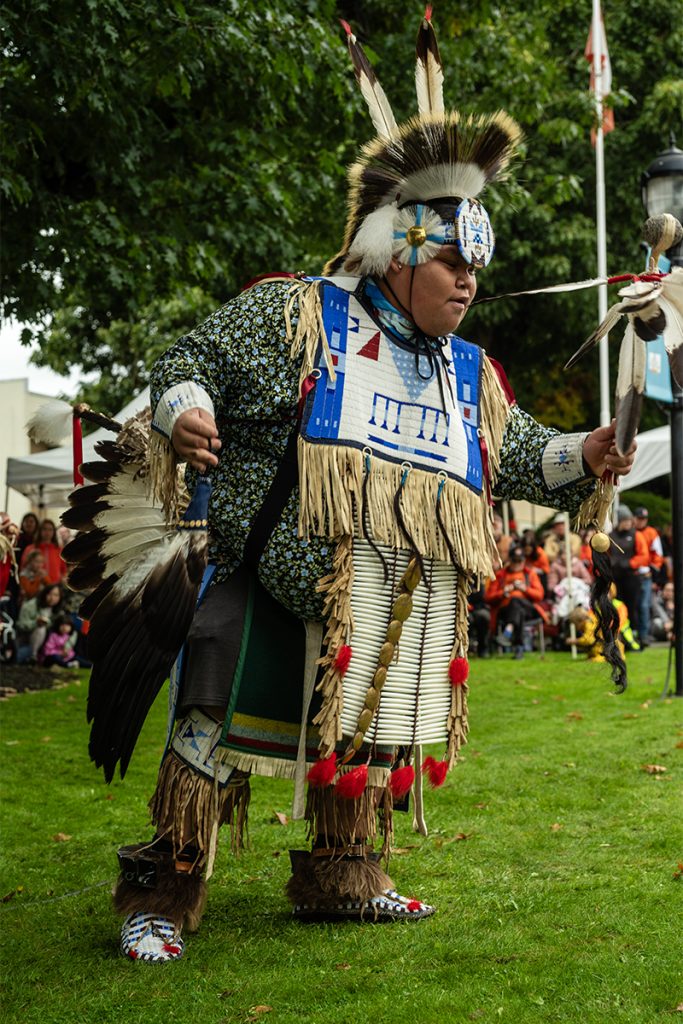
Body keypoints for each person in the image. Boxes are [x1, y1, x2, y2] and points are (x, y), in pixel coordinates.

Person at [60, 14, 636, 962]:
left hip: (379, 597)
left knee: (367, 736)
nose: (467, 283)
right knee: (209, 722)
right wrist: (187, 410)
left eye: (475, 268)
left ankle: (343, 877)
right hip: (266, 571)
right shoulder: (298, 315)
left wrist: (595, 449)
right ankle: (163, 886)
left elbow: (526, 454)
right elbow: (188, 360)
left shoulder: (468, 375)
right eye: (451, 262)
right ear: (401, 251)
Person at [485, 545, 546, 658]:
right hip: (505, 611)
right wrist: (503, 593)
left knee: (516, 602)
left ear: (523, 561)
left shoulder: (530, 574)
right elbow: (488, 597)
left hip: (529, 608)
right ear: (510, 560)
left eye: (520, 561)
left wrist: (525, 589)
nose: (517, 564)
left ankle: (508, 632)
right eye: (514, 561)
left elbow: (540, 595)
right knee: (517, 609)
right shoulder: (501, 575)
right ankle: (518, 647)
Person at [611, 505, 649, 638]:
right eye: (625, 520)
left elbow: (644, 556)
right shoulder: (611, 536)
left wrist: (629, 563)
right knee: (618, 607)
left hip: (631, 577)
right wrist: (611, 562)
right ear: (620, 521)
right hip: (616, 578)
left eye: (629, 520)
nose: (628, 523)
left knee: (633, 607)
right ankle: (620, 634)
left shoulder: (636, 535)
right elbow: (606, 554)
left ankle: (635, 635)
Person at [632, 506, 664, 645]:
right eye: (639, 518)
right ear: (635, 519)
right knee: (632, 605)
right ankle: (632, 633)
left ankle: (643, 635)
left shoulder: (652, 533)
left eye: (644, 519)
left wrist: (652, 571)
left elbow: (658, 555)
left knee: (644, 606)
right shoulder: (629, 531)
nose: (641, 521)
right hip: (631, 573)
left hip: (645, 574)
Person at [15, 583, 64, 663]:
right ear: (44, 594)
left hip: (46, 644)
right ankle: (33, 656)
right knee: (40, 629)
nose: (52, 598)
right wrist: (36, 623)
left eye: (56, 595)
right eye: (49, 594)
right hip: (25, 639)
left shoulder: (57, 610)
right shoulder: (31, 605)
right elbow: (20, 625)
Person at [20, 519, 66, 585]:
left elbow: (63, 570)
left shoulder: (59, 550)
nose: (47, 532)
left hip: (55, 588)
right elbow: (23, 568)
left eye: (50, 529)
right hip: (34, 587)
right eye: (44, 529)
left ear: (54, 532)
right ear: (40, 531)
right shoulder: (30, 548)